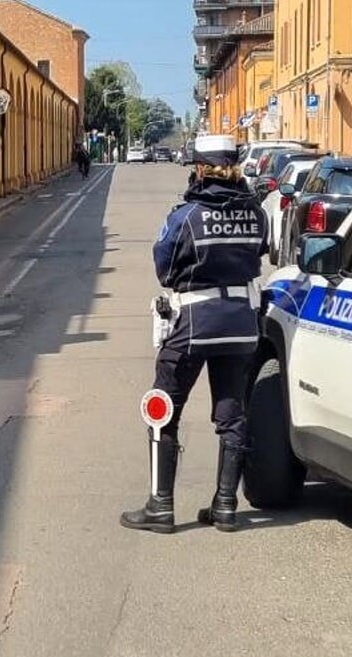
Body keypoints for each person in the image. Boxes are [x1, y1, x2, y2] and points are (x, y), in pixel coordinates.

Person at [120, 138, 269, 534]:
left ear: (199, 169)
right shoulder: (256, 213)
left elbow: (164, 267)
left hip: (194, 321)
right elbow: (262, 251)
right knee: (232, 415)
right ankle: (225, 506)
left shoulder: (185, 215)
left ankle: (161, 506)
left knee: (162, 410)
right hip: (242, 322)